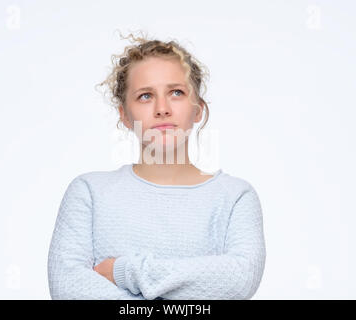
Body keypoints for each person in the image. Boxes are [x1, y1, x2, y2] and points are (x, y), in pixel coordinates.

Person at [47, 31, 266, 300]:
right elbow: (68, 287)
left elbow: (239, 278)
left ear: (197, 108)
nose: (162, 108)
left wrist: (124, 271)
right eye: (145, 96)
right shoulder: (89, 192)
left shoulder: (235, 197)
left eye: (176, 92)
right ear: (124, 115)